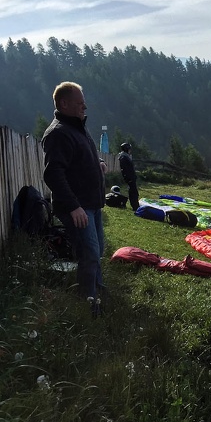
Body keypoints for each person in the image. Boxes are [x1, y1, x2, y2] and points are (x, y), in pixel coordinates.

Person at [42, 81, 107, 315]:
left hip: (91, 204)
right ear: (64, 103)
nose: (84, 106)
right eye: (80, 103)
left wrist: (96, 163)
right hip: (79, 208)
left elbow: (77, 159)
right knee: (88, 254)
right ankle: (87, 303)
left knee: (98, 249)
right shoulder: (58, 133)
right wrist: (74, 207)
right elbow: (53, 173)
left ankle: (97, 289)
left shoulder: (76, 127)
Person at [117, 142, 139, 212]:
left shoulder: (126, 156)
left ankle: (135, 205)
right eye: (129, 149)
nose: (130, 150)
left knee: (134, 192)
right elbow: (125, 169)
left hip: (131, 177)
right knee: (133, 192)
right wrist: (128, 178)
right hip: (130, 178)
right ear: (126, 149)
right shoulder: (124, 157)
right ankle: (135, 206)